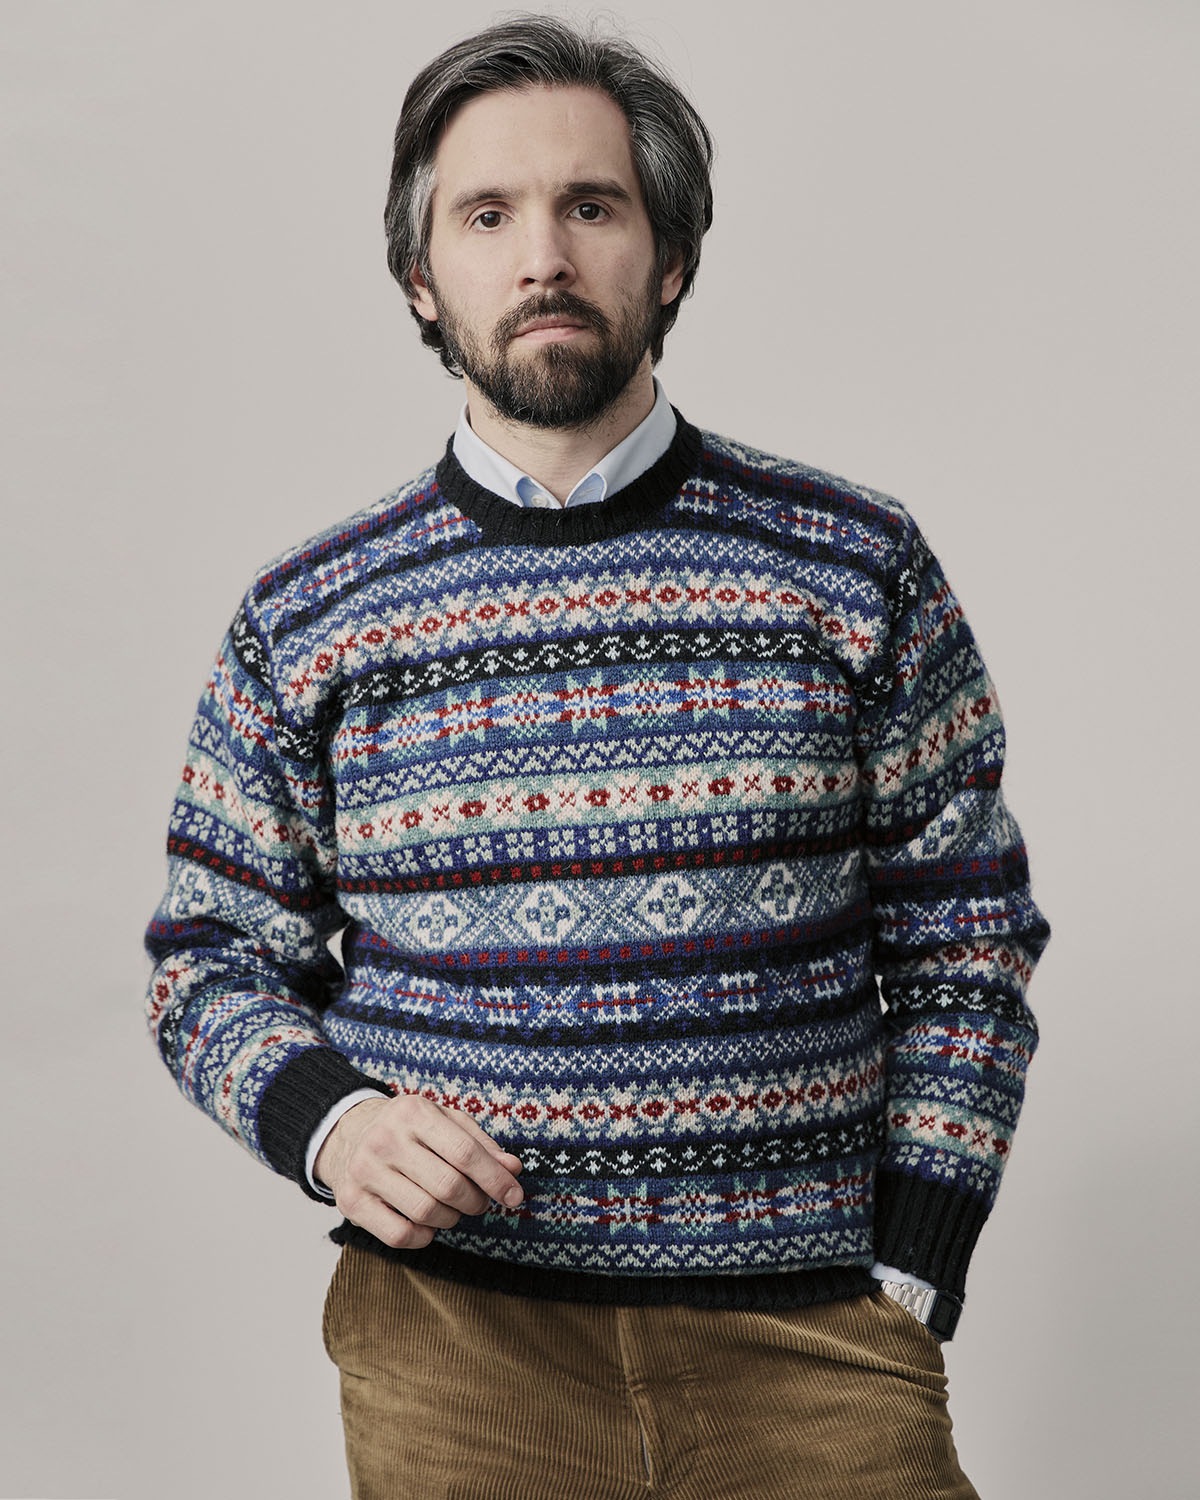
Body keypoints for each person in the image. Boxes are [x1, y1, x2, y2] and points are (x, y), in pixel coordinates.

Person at [145, 16, 1049, 1499]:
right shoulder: (307, 615)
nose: (543, 257)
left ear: (669, 257)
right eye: (486, 216)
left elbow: (967, 938)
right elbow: (206, 955)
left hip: (813, 1340)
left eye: (591, 205)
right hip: (455, 1349)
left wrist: (913, 1256)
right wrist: (336, 1128)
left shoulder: (853, 563)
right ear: (420, 278)